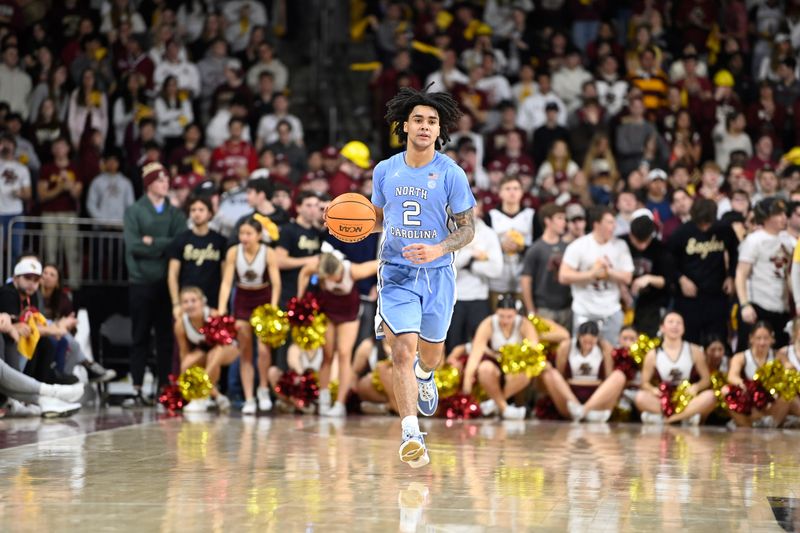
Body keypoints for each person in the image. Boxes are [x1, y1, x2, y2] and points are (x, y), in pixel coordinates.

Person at [361, 86, 475, 468]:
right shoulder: (384, 170)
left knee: (429, 354)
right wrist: (350, 225)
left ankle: (426, 375)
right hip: (396, 273)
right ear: (404, 125)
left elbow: (467, 228)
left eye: (432, 121)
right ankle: (411, 433)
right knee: (401, 350)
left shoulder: (451, 173)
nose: (425, 127)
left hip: (438, 274)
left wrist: (439, 248)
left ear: (438, 130)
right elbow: (377, 220)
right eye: (418, 120)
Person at [122, 162, 187, 406]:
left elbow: (178, 243)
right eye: (160, 181)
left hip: (166, 282)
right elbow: (134, 245)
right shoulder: (135, 211)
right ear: (149, 184)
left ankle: (163, 386)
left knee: (165, 338)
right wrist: (161, 244)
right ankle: (137, 387)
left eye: (167, 180)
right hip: (140, 282)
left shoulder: (175, 213)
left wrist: (152, 242)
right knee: (139, 336)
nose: (166, 184)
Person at [297, 247, 378, 416]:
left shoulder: (353, 270)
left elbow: (378, 264)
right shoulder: (319, 266)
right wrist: (300, 298)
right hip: (328, 312)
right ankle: (324, 397)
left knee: (344, 354)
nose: (329, 280)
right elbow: (304, 272)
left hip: (349, 315)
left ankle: (340, 403)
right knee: (327, 355)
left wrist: (379, 286)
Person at [217, 217, 280, 415]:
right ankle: (249, 397)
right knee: (245, 352)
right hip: (243, 300)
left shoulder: (268, 252)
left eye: (248, 234)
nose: (244, 238)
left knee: (263, 351)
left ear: (259, 236)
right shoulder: (233, 252)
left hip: (263, 298)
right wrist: (221, 309)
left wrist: (273, 308)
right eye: (241, 234)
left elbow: (276, 284)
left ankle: (262, 388)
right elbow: (227, 283)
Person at [558, 206, 634, 342]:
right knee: (583, 356)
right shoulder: (578, 246)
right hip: (584, 311)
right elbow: (563, 276)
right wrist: (592, 274)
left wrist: (608, 271)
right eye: (609, 222)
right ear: (597, 224)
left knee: (612, 355)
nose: (614, 226)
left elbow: (627, 277)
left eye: (614, 222)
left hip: (611, 311)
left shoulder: (620, 246)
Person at [461, 295, 539, 420]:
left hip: (515, 365)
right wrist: (467, 381)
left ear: (516, 313)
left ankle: (494, 404)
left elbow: (535, 351)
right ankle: (505, 408)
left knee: (526, 373)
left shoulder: (524, 324)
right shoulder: (488, 324)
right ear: (496, 313)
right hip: (494, 362)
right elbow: (476, 353)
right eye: (501, 316)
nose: (505, 321)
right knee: (484, 368)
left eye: (509, 317)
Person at [634, 312, 717, 425]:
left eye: (679, 323)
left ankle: (670, 419)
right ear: (662, 327)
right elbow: (644, 383)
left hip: (687, 398)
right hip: (663, 400)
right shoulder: (653, 354)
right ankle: (686, 418)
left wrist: (696, 387)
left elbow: (706, 380)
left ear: (683, 328)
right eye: (671, 322)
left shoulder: (694, 350)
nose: (675, 325)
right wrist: (653, 390)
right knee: (640, 398)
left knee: (711, 396)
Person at [540, 320, 626, 423]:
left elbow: (608, 378)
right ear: (579, 336)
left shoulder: (605, 347)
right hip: (570, 397)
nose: (588, 345)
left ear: (597, 338)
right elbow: (560, 375)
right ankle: (577, 409)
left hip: (597, 396)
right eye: (585, 341)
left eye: (592, 341)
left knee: (619, 376)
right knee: (550, 373)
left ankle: (584, 410)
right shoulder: (566, 347)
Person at [736, 198, 794, 348]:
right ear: (766, 217)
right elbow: (741, 274)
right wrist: (744, 305)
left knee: (780, 355)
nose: (784, 217)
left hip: (782, 307)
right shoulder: (754, 240)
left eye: (784, 213)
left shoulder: (789, 241)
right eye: (778, 214)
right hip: (758, 306)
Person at [173, 286, 238, 413]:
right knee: (187, 363)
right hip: (206, 350)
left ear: (202, 302)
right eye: (185, 302)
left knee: (214, 356)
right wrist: (185, 376)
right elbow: (183, 352)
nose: (190, 305)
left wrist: (202, 378)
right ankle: (216, 396)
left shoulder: (213, 315)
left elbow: (223, 343)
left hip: (228, 348)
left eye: (193, 300)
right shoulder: (180, 324)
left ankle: (202, 395)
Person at [727, 322, 794, 428]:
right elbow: (732, 376)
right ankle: (747, 425)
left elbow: (789, 369)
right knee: (726, 391)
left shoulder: (778, 356)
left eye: (766, 338)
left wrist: (788, 369)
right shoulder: (741, 356)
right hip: (750, 399)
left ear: (772, 339)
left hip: (772, 399)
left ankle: (772, 424)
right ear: (751, 338)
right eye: (758, 338)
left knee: (789, 393)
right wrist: (742, 383)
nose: (762, 343)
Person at [167, 196, 227, 312]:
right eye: (193, 210)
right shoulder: (180, 240)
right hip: (187, 301)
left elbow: (226, 277)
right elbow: (172, 274)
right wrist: (176, 304)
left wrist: (223, 304)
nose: (197, 213)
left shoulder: (220, 241)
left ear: (210, 213)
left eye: (201, 210)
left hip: (213, 302)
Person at [520, 203, 571, 329]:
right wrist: (531, 310)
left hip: (566, 307)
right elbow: (525, 281)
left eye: (564, 218)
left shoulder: (568, 247)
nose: (564, 222)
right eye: (559, 218)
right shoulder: (536, 249)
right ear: (547, 221)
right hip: (544, 308)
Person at [275, 191, 324, 306]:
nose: (313, 209)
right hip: (289, 292)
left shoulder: (319, 233)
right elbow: (279, 261)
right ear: (298, 208)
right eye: (308, 205)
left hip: (312, 293)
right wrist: (308, 260)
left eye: (316, 205)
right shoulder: (288, 230)